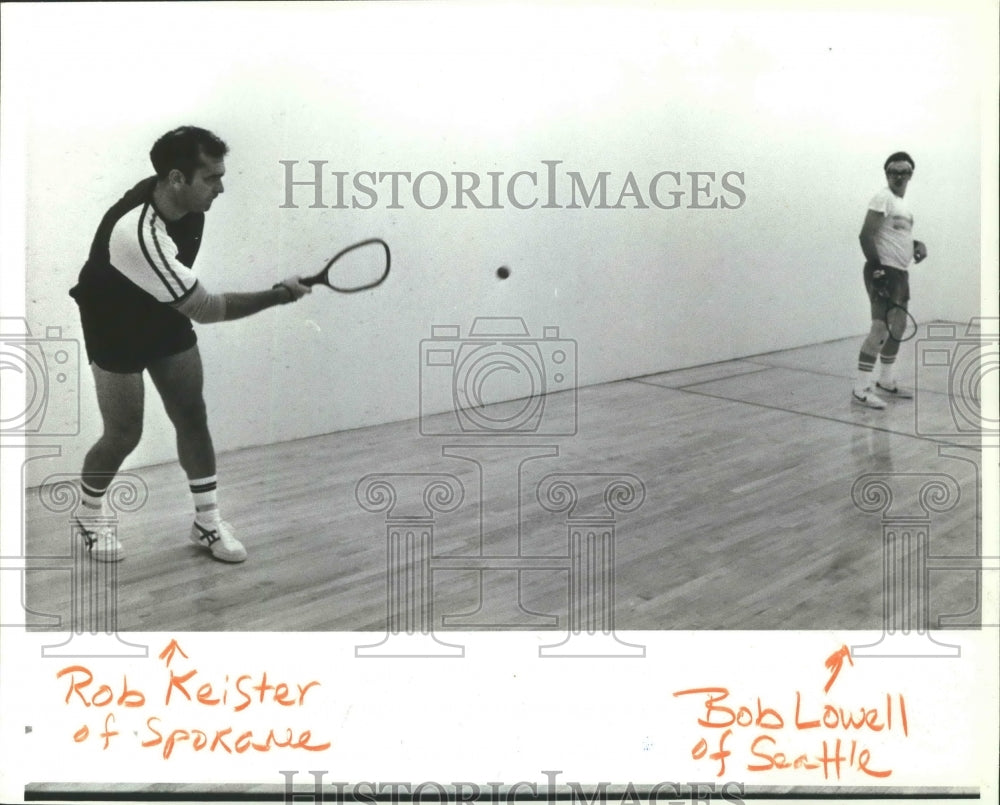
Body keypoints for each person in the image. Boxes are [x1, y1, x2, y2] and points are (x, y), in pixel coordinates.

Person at [69, 125, 312, 563]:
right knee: (124, 433)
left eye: (221, 175)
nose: (221, 187)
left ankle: (207, 521)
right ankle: (89, 514)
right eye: (212, 178)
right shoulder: (136, 232)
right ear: (177, 178)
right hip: (113, 322)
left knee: (191, 415)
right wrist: (279, 294)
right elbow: (205, 307)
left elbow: (183, 297)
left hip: (163, 310)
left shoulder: (187, 204)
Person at [851, 151, 927, 409]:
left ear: (910, 175)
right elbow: (865, 235)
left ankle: (885, 380)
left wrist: (917, 244)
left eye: (903, 171)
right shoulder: (882, 197)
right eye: (893, 171)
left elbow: (896, 236)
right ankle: (860, 388)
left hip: (901, 272)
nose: (898, 176)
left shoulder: (904, 206)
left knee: (898, 328)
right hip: (883, 271)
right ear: (886, 174)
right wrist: (877, 271)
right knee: (880, 329)